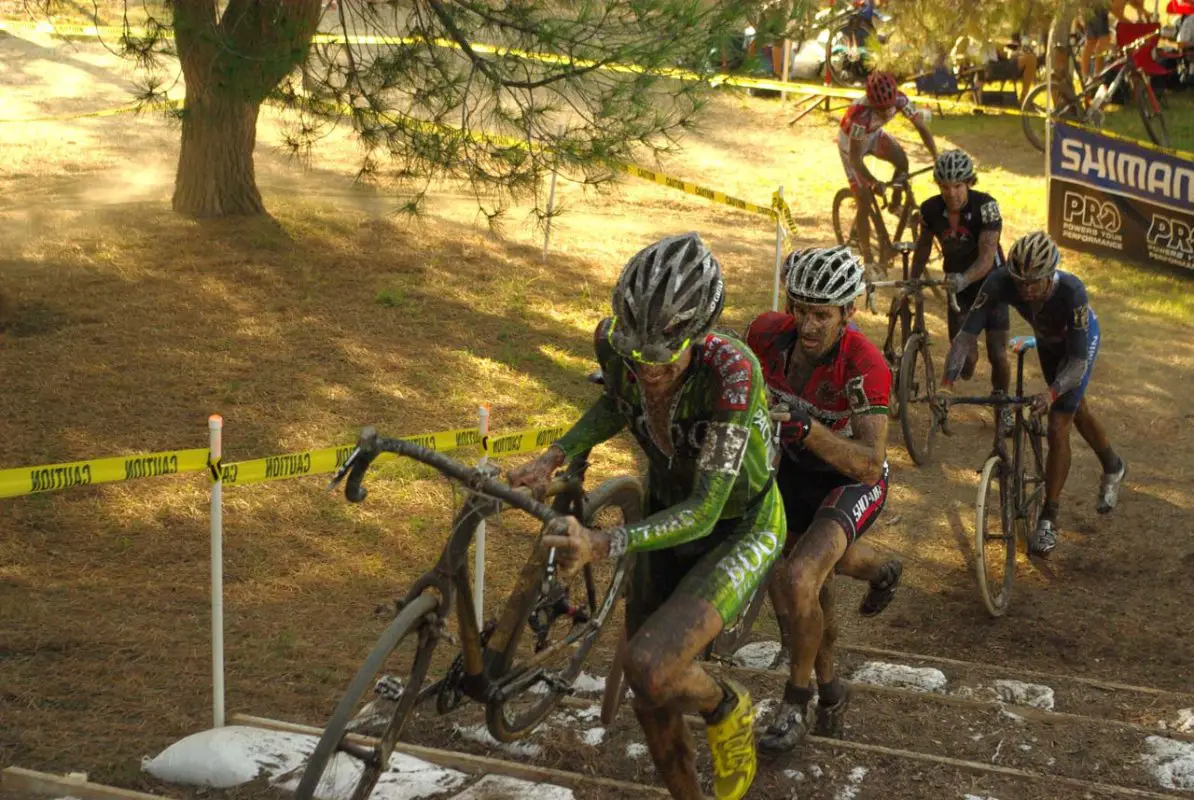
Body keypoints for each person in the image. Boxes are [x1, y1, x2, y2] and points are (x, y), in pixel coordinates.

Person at [508, 232, 785, 800]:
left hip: (738, 524)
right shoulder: (616, 345)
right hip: (666, 508)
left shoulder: (733, 372)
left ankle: (726, 704)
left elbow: (707, 510)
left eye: (659, 357)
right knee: (644, 687)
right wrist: (556, 453)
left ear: (698, 335)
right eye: (633, 354)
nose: (644, 369)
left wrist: (607, 541)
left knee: (654, 665)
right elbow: (616, 401)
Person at [743, 246, 899, 752]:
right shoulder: (766, 333)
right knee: (801, 588)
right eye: (801, 309)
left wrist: (807, 427)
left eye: (822, 315)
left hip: (849, 476)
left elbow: (869, 463)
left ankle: (796, 701)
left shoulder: (865, 363)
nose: (808, 326)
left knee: (800, 576)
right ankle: (832, 689)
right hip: (794, 468)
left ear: (847, 312)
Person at [938, 232, 1127, 556]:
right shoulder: (1000, 281)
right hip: (1047, 341)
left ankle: (1048, 518)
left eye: (1034, 283)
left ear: (1050, 274)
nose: (1025, 290)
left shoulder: (1072, 291)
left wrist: (1050, 394)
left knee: (1059, 423)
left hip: (1076, 346)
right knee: (1077, 408)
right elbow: (966, 336)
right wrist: (946, 385)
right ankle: (1113, 464)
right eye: (1019, 282)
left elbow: (1078, 363)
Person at [910, 149, 1012, 429]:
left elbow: (987, 257)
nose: (951, 192)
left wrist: (964, 279)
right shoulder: (930, 209)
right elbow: (923, 247)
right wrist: (912, 280)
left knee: (997, 352)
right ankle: (968, 362)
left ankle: (1002, 405)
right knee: (964, 358)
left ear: (969, 182)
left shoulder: (987, 207)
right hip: (958, 287)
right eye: (945, 186)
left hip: (993, 284)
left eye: (957, 185)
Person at [839, 70, 939, 267]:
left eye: (888, 107)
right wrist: (873, 182)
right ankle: (868, 259)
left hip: (874, 135)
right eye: (880, 109)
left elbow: (921, 127)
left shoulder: (901, 100)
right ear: (870, 101)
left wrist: (936, 156)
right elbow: (855, 159)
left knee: (902, 161)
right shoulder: (860, 114)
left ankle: (895, 204)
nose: (886, 113)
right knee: (865, 200)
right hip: (850, 146)